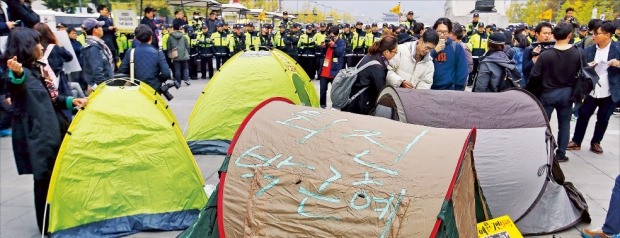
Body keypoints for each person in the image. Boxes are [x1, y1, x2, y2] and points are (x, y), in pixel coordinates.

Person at [3, 27, 87, 233]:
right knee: (43, 181)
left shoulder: (36, 70)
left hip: (52, 131)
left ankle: (56, 219)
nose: (41, 47)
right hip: (39, 137)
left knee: (53, 179)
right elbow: (16, 86)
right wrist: (17, 74)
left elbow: (52, 99)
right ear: (25, 48)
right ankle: (46, 226)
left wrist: (72, 101)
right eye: (36, 44)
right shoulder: (20, 73)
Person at [526, 22, 582, 162]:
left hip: (548, 93)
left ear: (554, 35)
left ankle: (542, 152)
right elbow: (584, 74)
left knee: (544, 124)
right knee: (564, 124)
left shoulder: (546, 55)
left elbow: (534, 75)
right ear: (570, 35)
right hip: (568, 94)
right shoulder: (578, 53)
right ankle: (561, 153)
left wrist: (531, 91)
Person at [567, 21, 620, 154]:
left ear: (607, 35)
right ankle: (576, 141)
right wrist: (587, 66)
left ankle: (596, 142)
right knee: (583, 115)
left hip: (610, 91)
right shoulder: (588, 50)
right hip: (590, 90)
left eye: (597, 33)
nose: (593, 35)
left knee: (603, 118)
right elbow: (578, 67)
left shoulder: (618, 49)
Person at [344, 34, 398, 115]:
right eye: (395, 52)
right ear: (386, 52)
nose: (395, 54)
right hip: (361, 105)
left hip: (355, 100)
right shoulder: (377, 67)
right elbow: (381, 91)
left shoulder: (371, 55)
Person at [118, 24, 171, 92]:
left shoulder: (130, 52)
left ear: (136, 38)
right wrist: (157, 80)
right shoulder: (158, 53)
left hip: (136, 88)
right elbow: (166, 73)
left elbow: (122, 70)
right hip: (153, 88)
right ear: (151, 38)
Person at [430, 18, 468, 91]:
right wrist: (434, 51)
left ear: (450, 32)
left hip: (449, 89)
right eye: (439, 31)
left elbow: (462, 70)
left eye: (445, 32)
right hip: (429, 88)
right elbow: (422, 62)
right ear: (434, 30)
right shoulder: (429, 46)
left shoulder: (456, 47)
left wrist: (457, 88)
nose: (441, 35)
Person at [80, 18, 114, 91]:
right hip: (101, 87)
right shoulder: (93, 48)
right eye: (100, 26)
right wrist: (103, 88)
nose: (102, 29)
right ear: (95, 29)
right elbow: (97, 71)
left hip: (103, 85)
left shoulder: (97, 44)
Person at [318, 26, 345, 109]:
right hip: (325, 69)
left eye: (333, 37)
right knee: (322, 90)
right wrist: (323, 47)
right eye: (330, 36)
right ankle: (322, 105)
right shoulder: (327, 41)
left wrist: (334, 45)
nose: (332, 38)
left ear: (338, 35)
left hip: (334, 70)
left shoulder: (341, 42)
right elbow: (322, 54)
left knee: (335, 91)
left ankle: (335, 105)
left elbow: (339, 53)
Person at [168, 20, 191, 86]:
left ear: (173, 28)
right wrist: (187, 53)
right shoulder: (184, 36)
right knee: (185, 68)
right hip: (184, 54)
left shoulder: (170, 37)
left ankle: (178, 82)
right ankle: (186, 79)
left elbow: (168, 47)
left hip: (175, 55)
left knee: (177, 69)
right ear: (179, 28)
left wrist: (170, 55)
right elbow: (187, 46)